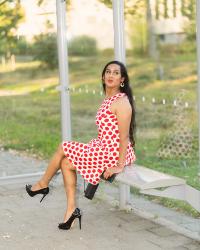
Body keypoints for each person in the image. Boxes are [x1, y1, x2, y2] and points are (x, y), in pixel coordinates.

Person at [25, 60, 136, 231]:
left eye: (115, 73)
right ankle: (71, 211)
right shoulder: (109, 98)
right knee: (66, 163)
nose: (111, 75)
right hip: (104, 148)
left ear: (122, 79)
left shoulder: (121, 102)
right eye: (108, 71)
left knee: (64, 146)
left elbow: (124, 136)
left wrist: (119, 166)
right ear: (102, 76)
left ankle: (42, 185)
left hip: (114, 153)